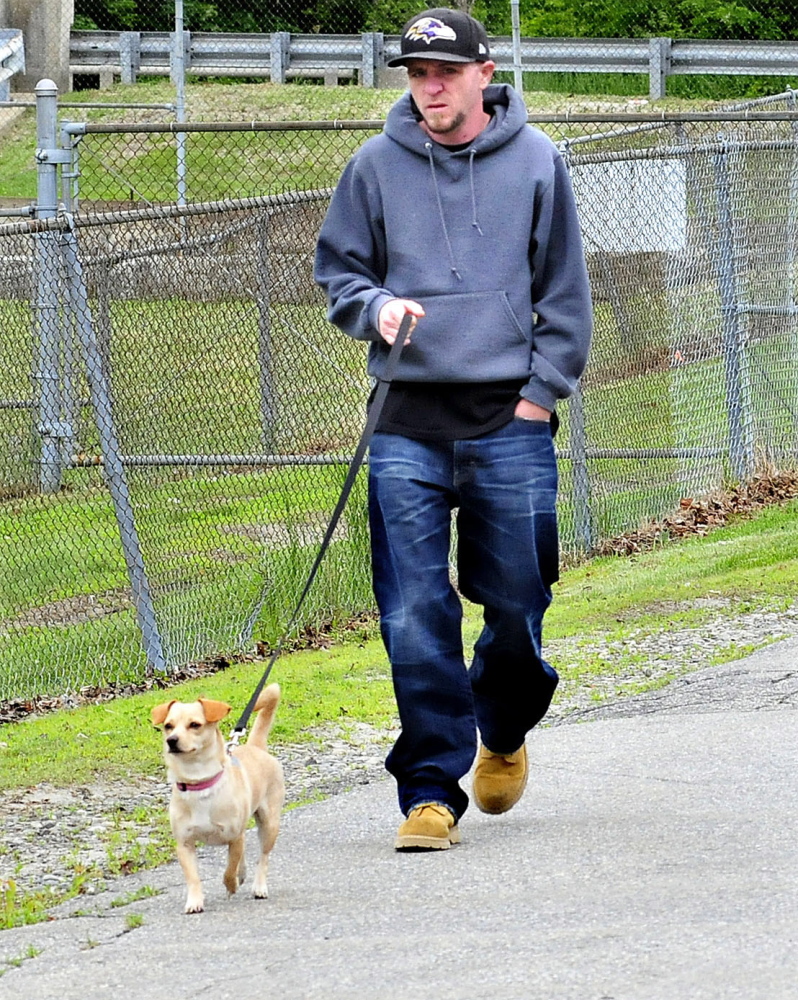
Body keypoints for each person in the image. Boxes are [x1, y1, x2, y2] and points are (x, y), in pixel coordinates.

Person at [314, 8, 592, 851]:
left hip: (509, 418)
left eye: (444, 72)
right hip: (406, 420)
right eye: (415, 74)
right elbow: (340, 272)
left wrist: (540, 396)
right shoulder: (373, 166)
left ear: (482, 72)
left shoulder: (539, 161)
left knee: (516, 600)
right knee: (411, 613)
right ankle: (429, 791)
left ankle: (501, 729)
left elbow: (566, 292)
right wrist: (375, 308)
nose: (429, 87)